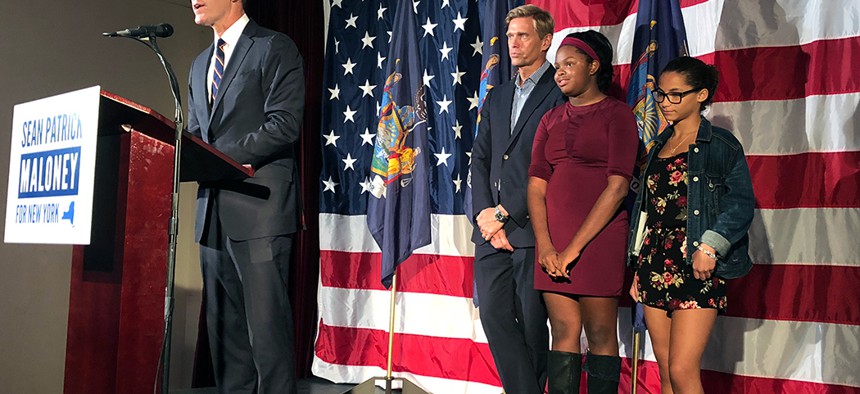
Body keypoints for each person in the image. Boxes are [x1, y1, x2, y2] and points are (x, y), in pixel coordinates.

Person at [187, 0, 305, 392]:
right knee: (227, 342)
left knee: (267, 335)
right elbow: (194, 132)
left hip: (259, 212)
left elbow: (284, 124)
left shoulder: (273, 47)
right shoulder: (200, 63)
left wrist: (221, 157)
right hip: (212, 215)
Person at [627, 56, 755, 394]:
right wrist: (639, 264)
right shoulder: (655, 147)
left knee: (683, 369)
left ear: (701, 95)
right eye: (660, 95)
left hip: (697, 260)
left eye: (675, 95)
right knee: (667, 370)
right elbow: (649, 211)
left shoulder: (721, 145)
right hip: (655, 260)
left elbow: (740, 204)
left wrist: (710, 246)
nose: (665, 103)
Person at [527, 31, 639, 393]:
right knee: (561, 332)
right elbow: (536, 184)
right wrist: (545, 246)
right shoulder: (549, 119)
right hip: (553, 239)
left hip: (599, 240)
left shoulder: (618, 115)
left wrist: (574, 249)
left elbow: (619, 186)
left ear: (594, 66)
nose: (560, 72)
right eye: (557, 66)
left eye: (569, 64)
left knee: (602, 333)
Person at [470, 4, 565, 394]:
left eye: (522, 35)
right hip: (490, 230)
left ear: (545, 41)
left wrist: (507, 214)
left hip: (530, 228)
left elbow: (555, 165)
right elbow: (480, 159)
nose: (513, 43)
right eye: (510, 36)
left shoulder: (560, 93)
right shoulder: (498, 94)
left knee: (530, 324)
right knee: (493, 317)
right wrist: (484, 216)